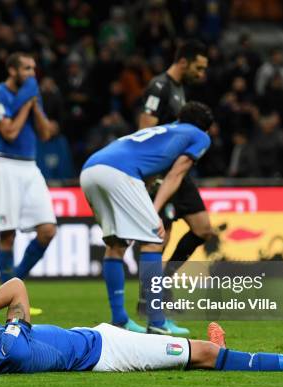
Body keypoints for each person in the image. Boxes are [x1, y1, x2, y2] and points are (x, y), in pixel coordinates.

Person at [0, 278, 283, 375]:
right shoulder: (7, 349)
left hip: (98, 335)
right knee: (206, 354)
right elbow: (14, 288)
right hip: (108, 353)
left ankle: (205, 348)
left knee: (195, 351)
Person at [80, 101, 213, 335]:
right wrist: (154, 210)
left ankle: (119, 319)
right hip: (119, 173)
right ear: (205, 128)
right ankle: (157, 322)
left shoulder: (164, 130)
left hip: (90, 169)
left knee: (115, 244)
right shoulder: (199, 136)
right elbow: (175, 175)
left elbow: (151, 169)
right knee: (153, 240)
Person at [138, 41, 212, 331]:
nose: (203, 73)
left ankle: (164, 281)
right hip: (162, 174)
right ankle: (149, 299)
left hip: (179, 174)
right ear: (184, 61)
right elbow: (145, 130)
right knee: (160, 237)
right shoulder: (159, 87)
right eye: (199, 67)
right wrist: (152, 175)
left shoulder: (180, 89)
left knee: (203, 229)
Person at [0, 52, 55, 315]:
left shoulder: (31, 96)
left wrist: (35, 106)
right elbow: (9, 132)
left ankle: (12, 286)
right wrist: (26, 103)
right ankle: (8, 297)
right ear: (12, 70)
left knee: (48, 230)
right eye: (26, 68)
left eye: (34, 68)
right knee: (8, 235)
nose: (32, 73)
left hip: (30, 166)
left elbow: (46, 134)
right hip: (5, 165)